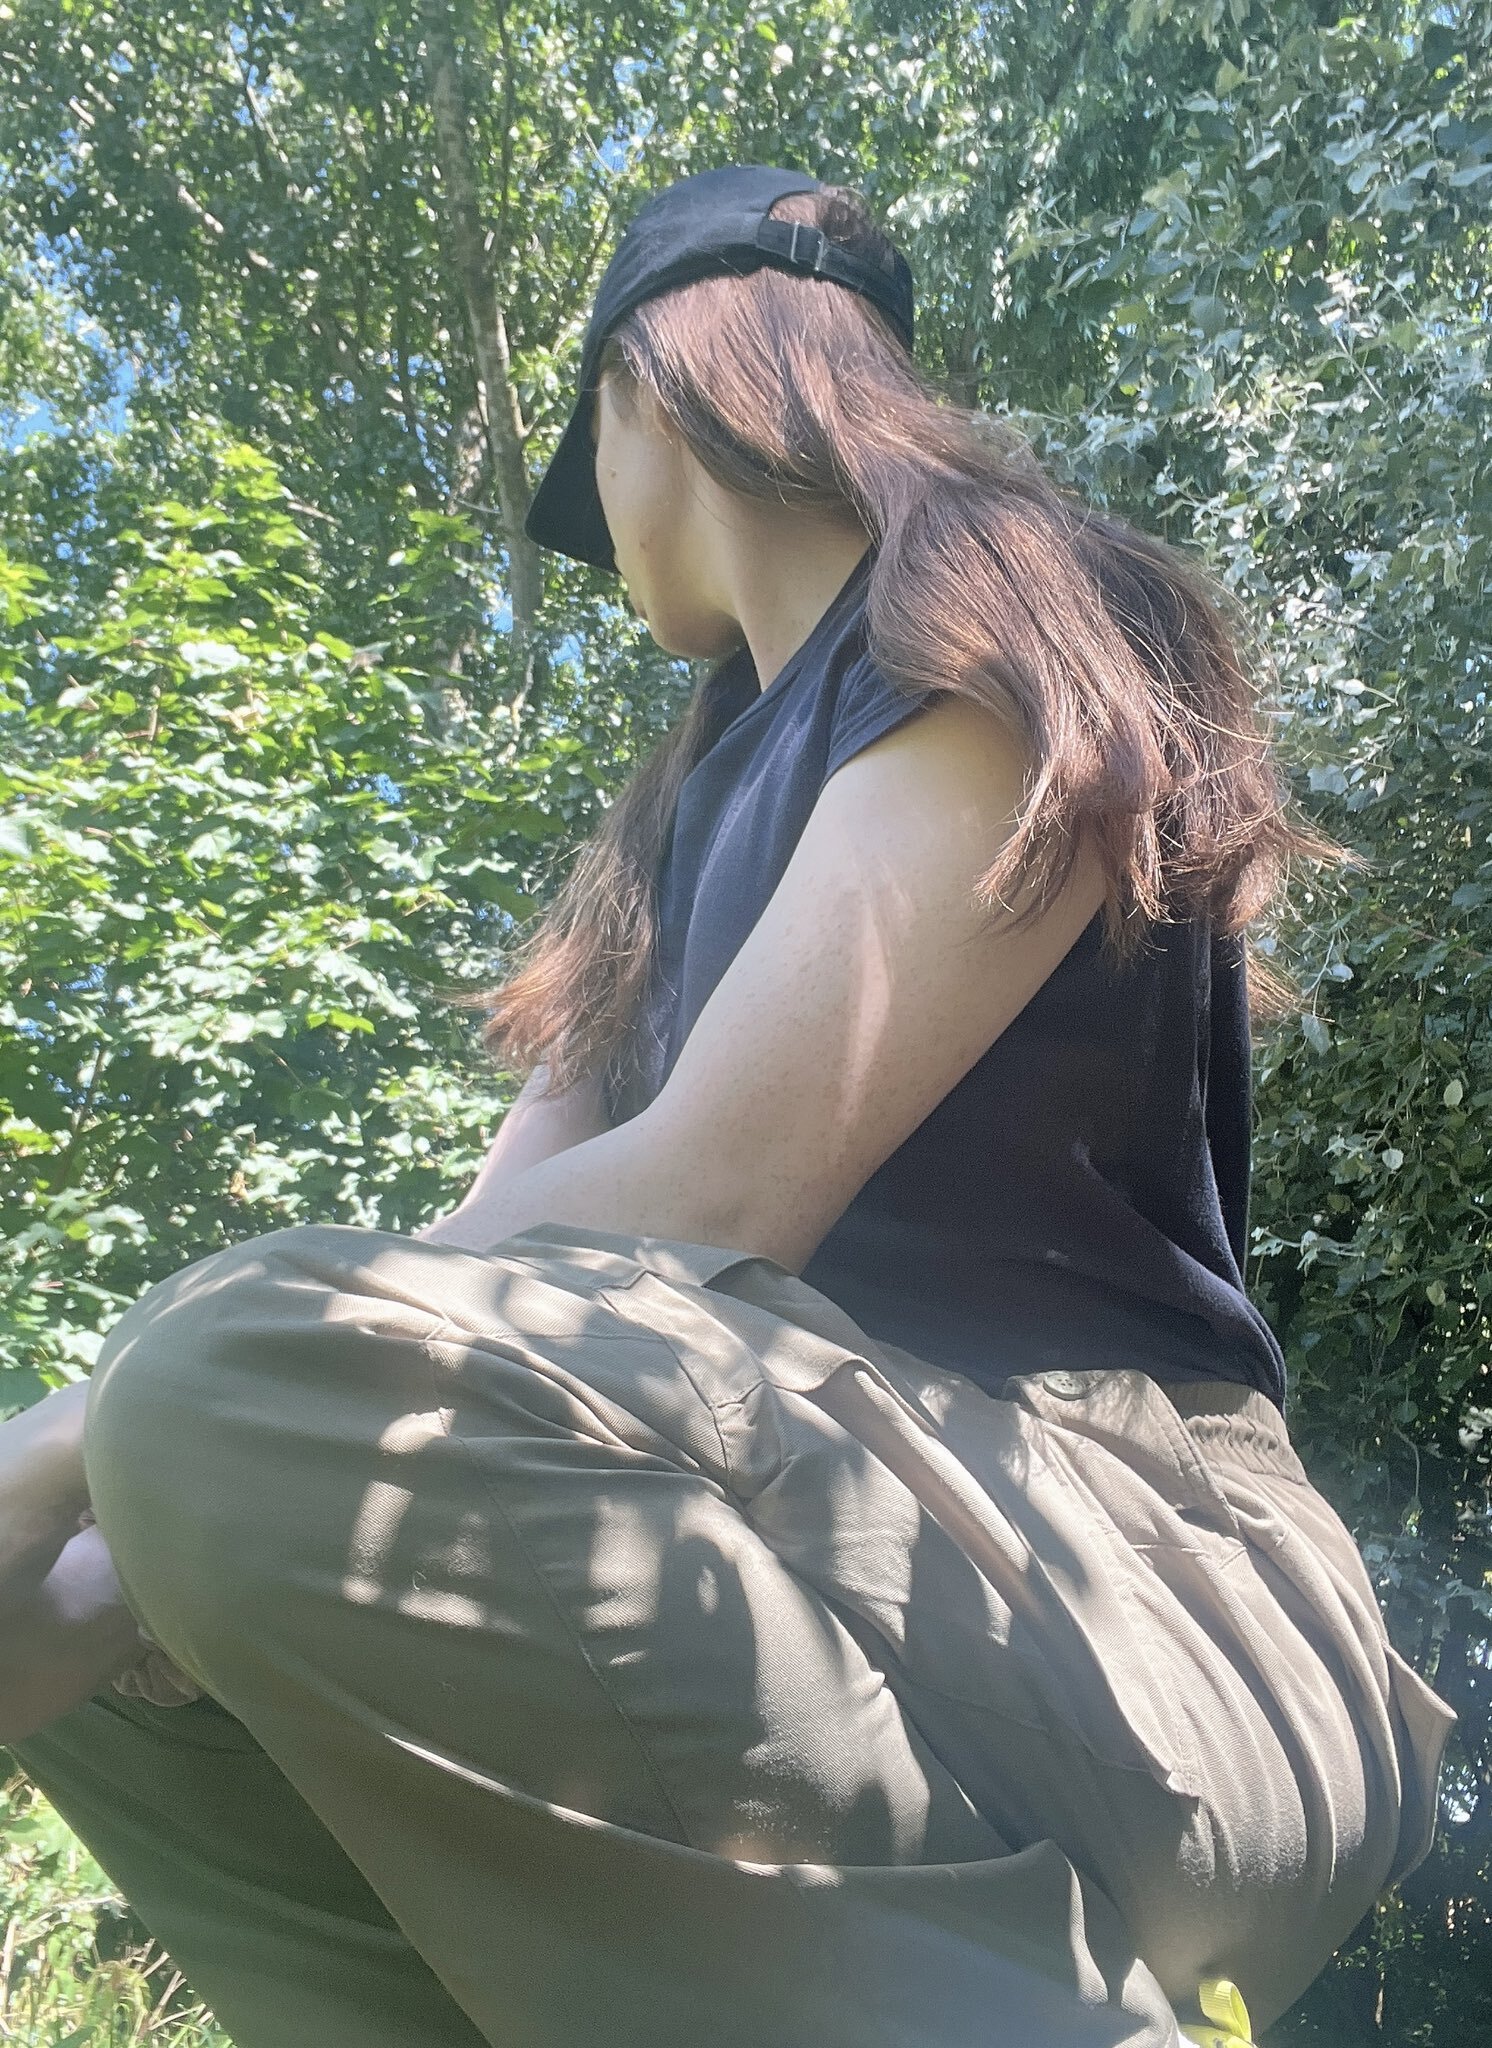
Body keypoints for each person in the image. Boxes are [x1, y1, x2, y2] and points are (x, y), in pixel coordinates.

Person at [0, 164, 1455, 2048]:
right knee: (146, 1613)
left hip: (1155, 1612)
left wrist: (87, 1429)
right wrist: (119, 1576)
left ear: (644, 386)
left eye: (584, 482)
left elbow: (715, 1194)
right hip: (816, 1600)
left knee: (210, 1385)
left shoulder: (1000, 602)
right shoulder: (658, 840)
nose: (601, 557)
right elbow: (468, 1261)